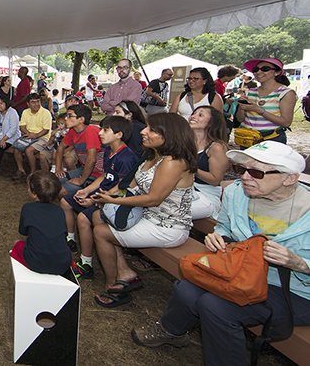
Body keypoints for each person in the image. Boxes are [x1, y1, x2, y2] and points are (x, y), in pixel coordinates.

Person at [132, 142, 310, 366]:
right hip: (240, 272)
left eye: (256, 172)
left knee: (215, 307)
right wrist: (218, 237)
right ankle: (172, 331)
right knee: (188, 289)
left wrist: (301, 264)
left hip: (296, 291)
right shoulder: (237, 193)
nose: (245, 177)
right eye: (241, 169)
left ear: (290, 178)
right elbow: (224, 227)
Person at [91, 113, 197, 308]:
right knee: (99, 216)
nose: (143, 131)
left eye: (151, 130)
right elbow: (129, 184)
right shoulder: (152, 154)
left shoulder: (173, 161)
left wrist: (113, 200)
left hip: (167, 225)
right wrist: (107, 196)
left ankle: (112, 285)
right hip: (146, 214)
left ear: (169, 134)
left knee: (100, 232)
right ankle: (124, 271)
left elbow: (154, 199)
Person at [60, 116, 138, 280]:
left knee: (83, 218)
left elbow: (124, 187)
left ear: (119, 134)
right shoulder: (110, 151)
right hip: (102, 196)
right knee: (66, 201)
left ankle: (87, 263)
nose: (100, 133)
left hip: (111, 203)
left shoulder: (126, 157)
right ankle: (76, 248)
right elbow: (105, 175)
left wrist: (96, 200)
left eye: (105, 130)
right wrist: (86, 190)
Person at [10, 171, 73, 276]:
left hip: (36, 263)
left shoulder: (27, 208)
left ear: (34, 194)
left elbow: (24, 232)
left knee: (16, 243)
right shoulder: (59, 210)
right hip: (62, 263)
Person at [235, 58, 296, 145]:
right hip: (247, 138)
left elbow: (286, 122)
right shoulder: (249, 92)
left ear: (277, 72)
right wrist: (242, 107)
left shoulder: (286, 93)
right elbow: (240, 119)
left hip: (271, 139)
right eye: (256, 69)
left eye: (265, 69)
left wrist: (259, 110)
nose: (259, 72)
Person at [54, 104, 104, 197]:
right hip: (84, 170)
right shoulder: (73, 131)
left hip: (99, 175)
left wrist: (81, 180)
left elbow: (92, 159)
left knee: (61, 191)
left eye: (70, 116)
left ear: (81, 119)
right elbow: (61, 147)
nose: (66, 119)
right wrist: (58, 169)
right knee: (53, 180)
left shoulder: (91, 130)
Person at [188, 106, 229, 219]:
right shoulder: (187, 142)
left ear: (211, 123)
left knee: (168, 208)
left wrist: (191, 168)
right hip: (185, 190)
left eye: (200, 115)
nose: (193, 117)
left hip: (206, 195)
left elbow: (215, 180)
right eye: (194, 113)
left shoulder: (216, 148)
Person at [12, 93, 52, 180]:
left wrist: (35, 135)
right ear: (28, 104)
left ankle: (32, 173)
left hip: (43, 137)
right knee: (16, 148)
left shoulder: (46, 113)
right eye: (33, 102)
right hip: (29, 135)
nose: (36, 104)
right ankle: (21, 170)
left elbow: (46, 130)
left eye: (38, 101)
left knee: (29, 150)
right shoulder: (25, 112)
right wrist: (29, 134)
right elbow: (22, 127)